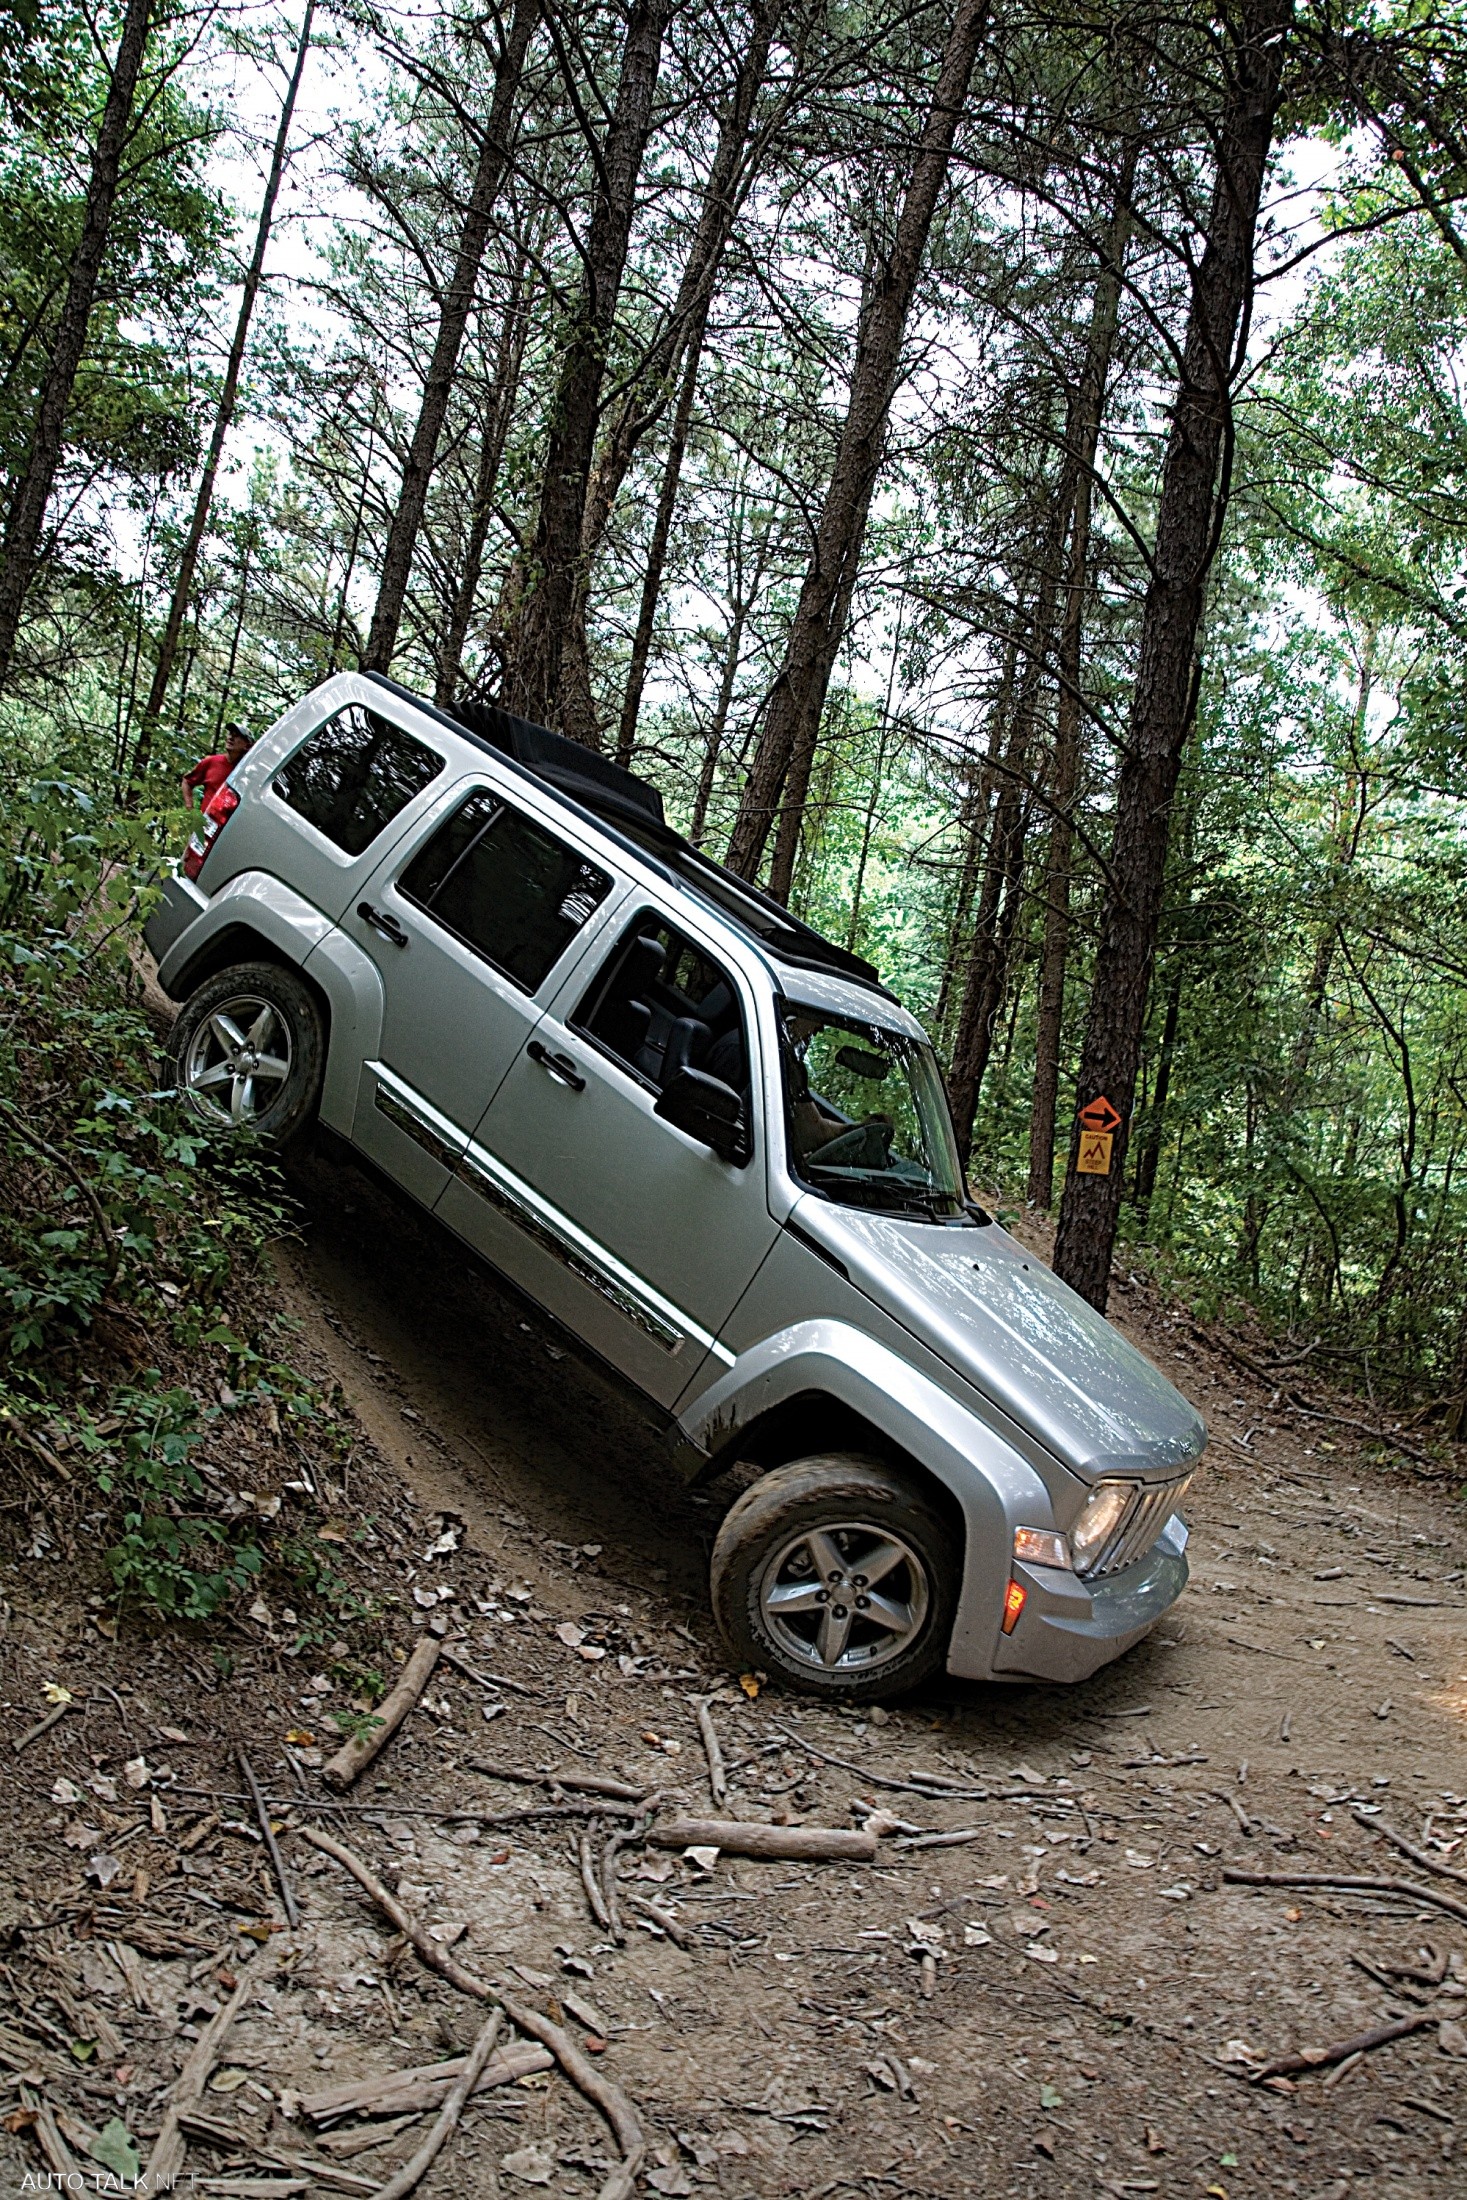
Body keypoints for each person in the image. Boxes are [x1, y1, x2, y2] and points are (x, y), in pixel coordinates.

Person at [182, 723, 251, 809]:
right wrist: (190, 807)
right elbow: (187, 781)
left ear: (247, 745)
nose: (230, 738)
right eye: (230, 734)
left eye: (236, 736)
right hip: (205, 820)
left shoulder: (247, 773)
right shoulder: (211, 761)